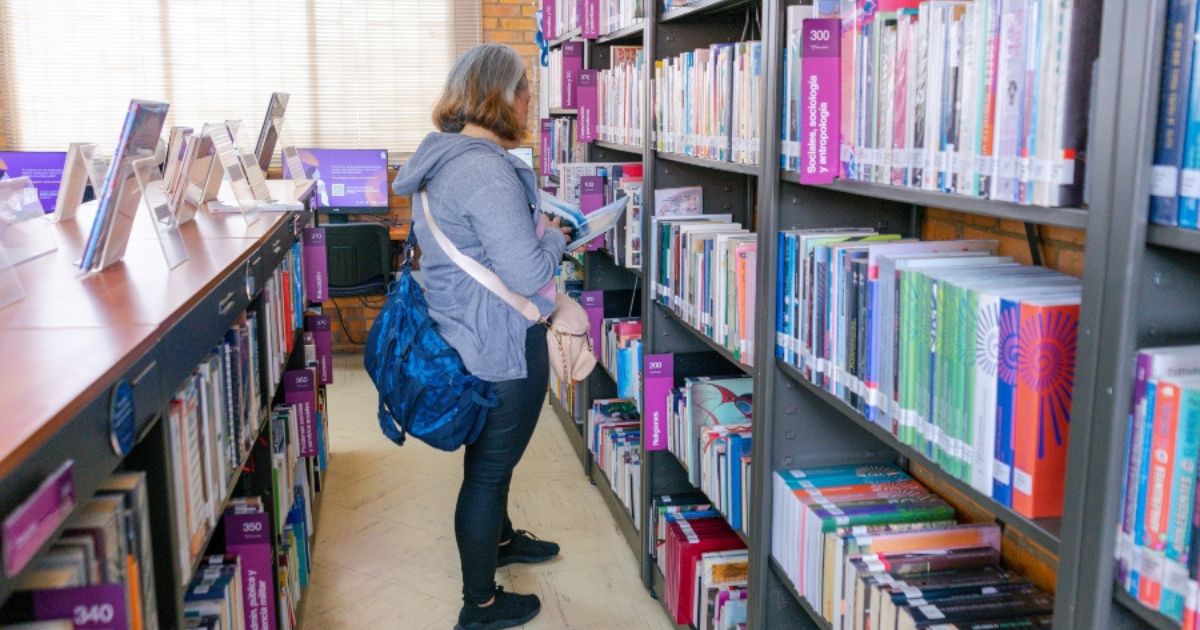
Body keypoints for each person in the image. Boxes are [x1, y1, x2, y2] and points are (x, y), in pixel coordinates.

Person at [391, 43, 567, 630]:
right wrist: (559, 237)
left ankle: (502, 539)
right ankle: (481, 604)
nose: (529, 103)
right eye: (525, 92)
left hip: (466, 331)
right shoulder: (484, 170)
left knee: (494, 457)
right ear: (502, 97)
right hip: (499, 342)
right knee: (489, 470)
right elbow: (531, 274)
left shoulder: (444, 157)